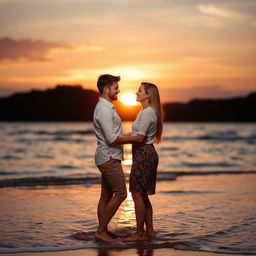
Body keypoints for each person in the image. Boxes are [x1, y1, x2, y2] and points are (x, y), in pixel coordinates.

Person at [93, 74, 144, 244]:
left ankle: (103, 231)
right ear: (106, 89)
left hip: (107, 156)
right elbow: (112, 139)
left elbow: (114, 135)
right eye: (115, 88)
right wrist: (134, 139)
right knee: (121, 193)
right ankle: (101, 231)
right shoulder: (104, 110)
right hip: (108, 157)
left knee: (106, 195)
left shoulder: (107, 107)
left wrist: (129, 135)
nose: (118, 90)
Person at [114, 82, 163, 241]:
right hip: (145, 154)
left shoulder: (148, 113)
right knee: (142, 194)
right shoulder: (146, 111)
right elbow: (138, 134)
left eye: (140, 90)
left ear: (148, 95)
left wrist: (117, 140)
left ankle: (140, 234)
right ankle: (149, 231)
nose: (137, 92)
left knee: (136, 193)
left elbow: (140, 138)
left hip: (144, 154)